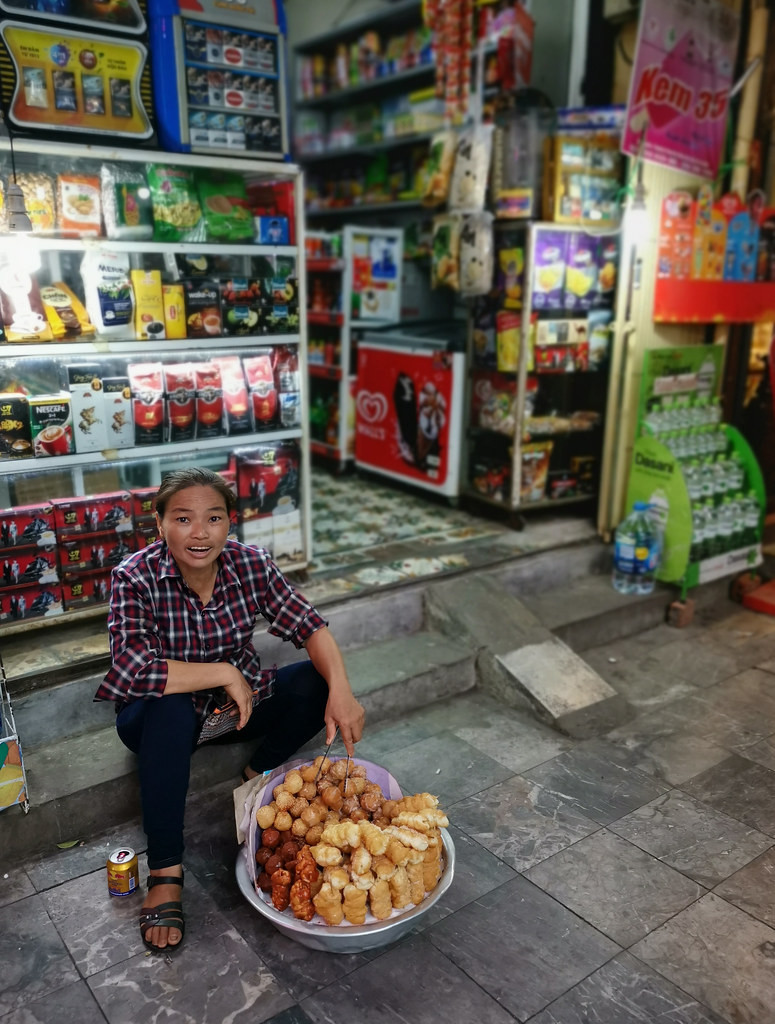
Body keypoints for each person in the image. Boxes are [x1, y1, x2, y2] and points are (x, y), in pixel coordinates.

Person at [94, 467, 365, 955]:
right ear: (158, 524)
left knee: (313, 679)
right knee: (170, 707)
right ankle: (165, 870)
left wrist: (341, 689)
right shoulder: (134, 577)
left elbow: (309, 626)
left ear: (230, 523)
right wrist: (221, 671)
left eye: (213, 518)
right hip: (158, 722)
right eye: (182, 518)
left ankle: (257, 773)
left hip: (235, 709)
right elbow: (134, 671)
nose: (199, 533)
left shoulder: (250, 564)